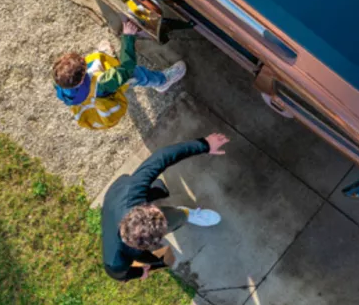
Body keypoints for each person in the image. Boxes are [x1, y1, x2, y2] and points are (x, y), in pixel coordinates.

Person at [102, 133, 229, 282]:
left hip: (119, 192)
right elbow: (118, 275)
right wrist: (139, 273)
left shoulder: (133, 190)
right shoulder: (116, 261)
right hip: (114, 201)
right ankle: (185, 214)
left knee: (155, 194)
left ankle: (174, 206)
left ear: (141, 209)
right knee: (175, 217)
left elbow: (161, 158)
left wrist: (204, 145)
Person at [52, 20, 185, 131]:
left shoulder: (61, 82)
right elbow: (126, 68)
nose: (84, 60)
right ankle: (162, 81)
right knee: (135, 74)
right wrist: (127, 37)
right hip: (107, 87)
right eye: (83, 66)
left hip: (96, 88)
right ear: (81, 80)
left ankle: (107, 57)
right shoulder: (103, 82)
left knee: (103, 65)